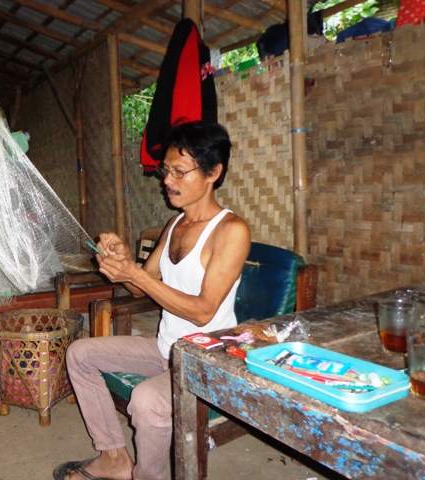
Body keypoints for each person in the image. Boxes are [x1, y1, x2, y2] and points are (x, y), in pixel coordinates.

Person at [53, 120, 251, 480]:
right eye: (166, 171)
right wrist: (123, 261)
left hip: (206, 358)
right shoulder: (175, 225)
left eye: (179, 172)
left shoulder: (231, 231)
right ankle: (113, 458)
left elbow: (204, 311)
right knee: (79, 353)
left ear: (213, 172)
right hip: (166, 350)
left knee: (145, 401)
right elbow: (141, 289)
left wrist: (135, 273)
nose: (167, 181)